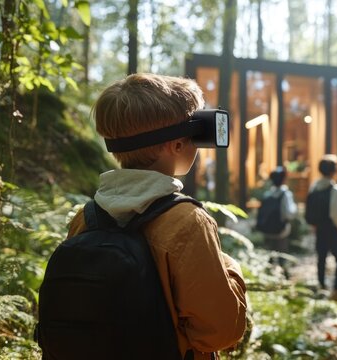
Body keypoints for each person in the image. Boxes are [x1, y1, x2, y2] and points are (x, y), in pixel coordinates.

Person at [66, 74, 247, 360]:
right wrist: (229, 268)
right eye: (195, 132)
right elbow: (219, 332)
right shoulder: (187, 222)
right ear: (176, 144)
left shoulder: (85, 218)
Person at [307, 154, 337, 301]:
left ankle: (322, 286)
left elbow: (310, 209)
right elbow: (336, 213)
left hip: (319, 228)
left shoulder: (314, 187)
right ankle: (336, 290)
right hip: (332, 228)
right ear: (333, 170)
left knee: (321, 258)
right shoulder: (335, 189)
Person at [258, 167, 298, 276]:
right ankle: (284, 276)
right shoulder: (285, 194)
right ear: (284, 179)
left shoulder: (267, 194)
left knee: (270, 255)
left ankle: (268, 276)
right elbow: (289, 213)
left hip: (267, 230)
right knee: (282, 254)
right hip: (281, 230)